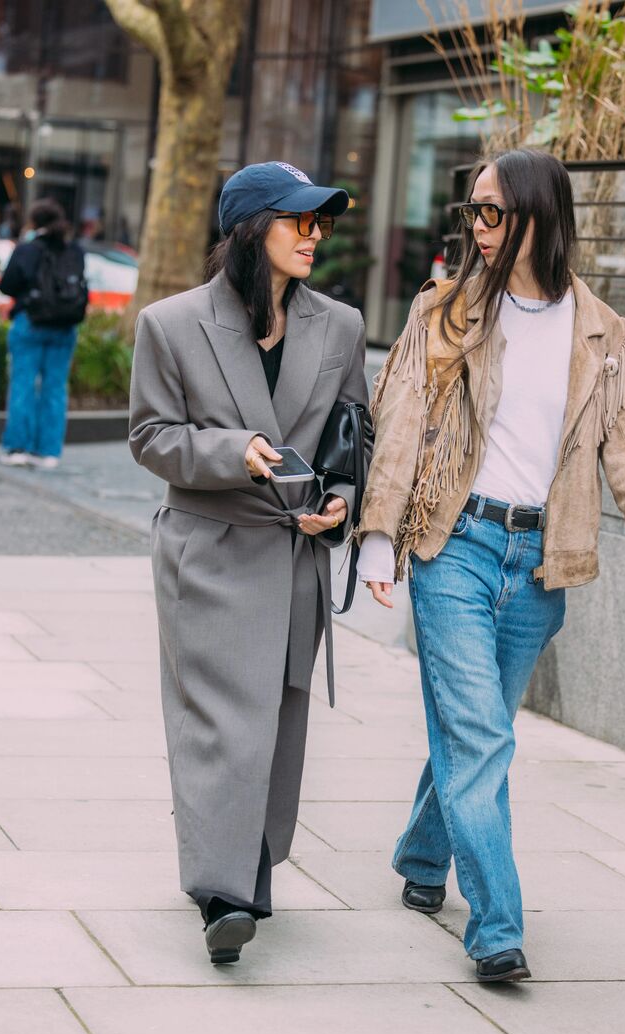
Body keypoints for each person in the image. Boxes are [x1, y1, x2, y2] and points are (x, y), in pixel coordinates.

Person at [357, 149, 625, 983]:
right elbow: (401, 423)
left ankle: (423, 856)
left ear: (540, 213)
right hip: (455, 545)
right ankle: (496, 926)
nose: (479, 226)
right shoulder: (446, 313)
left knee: (477, 730)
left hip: (540, 561)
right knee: (481, 735)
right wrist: (379, 536)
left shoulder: (605, 335)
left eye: (494, 211)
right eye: (473, 210)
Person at [129, 162, 368, 964]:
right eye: (299, 219)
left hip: (294, 553)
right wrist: (234, 452)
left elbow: (352, 440)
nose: (315, 234)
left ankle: (247, 864)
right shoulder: (171, 324)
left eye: (321, 221)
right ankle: (223, 893)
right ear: (250, 228)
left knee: (277, 723)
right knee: (217, 726)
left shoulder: (340, 326)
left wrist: (341, 503)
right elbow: (150, 437)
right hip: (208, 550)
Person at [0, 198, 87, 469]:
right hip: (64, 326)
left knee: (23, 384)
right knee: (55, 388)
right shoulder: (74, 250)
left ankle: (17, 448)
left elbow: (8, 285)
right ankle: (48, 452)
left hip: (30, 323)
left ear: (34, 221)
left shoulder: (27, 249)